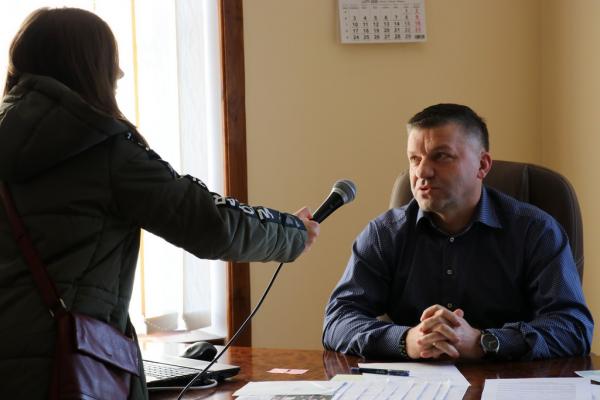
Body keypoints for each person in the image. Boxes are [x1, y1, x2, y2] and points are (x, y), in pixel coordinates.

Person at [0, 7, 319, 399]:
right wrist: (291, 233)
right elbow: (209, 224)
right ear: (91, 71)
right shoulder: (103, 150)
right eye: (112, 68)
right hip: (68, 370)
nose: (118, 76)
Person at [322, 103, 593, 361]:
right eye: (414, 159)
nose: (422, 171)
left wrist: (484, 342)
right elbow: (338, 319)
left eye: (441, 156)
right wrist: (407, 340)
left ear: (483, 165)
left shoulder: (536, 231)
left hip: (509, 381)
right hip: (414, 384)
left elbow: (572, 327)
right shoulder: (384, 234)